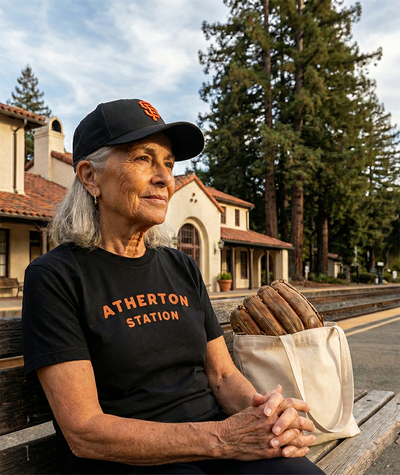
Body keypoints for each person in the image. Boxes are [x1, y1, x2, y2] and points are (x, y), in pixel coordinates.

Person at [22, 99, 325, 475]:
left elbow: (223, 375)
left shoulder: (180, 266)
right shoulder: (55, 277)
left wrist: (268, 416)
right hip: (129, 459)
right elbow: (84, 430)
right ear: (89, 176)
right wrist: (221, 439)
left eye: (168, 163)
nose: (165, 177)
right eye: (142, 158)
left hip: (215, 441)